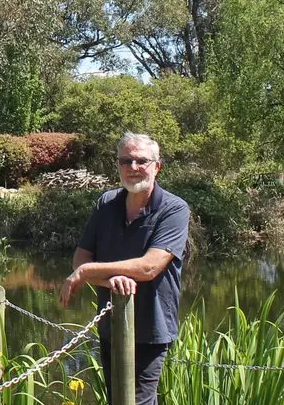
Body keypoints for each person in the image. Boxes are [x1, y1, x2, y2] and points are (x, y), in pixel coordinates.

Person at [58, 133, 190, 405]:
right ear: (117, 165)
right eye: (125, 160)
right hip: (110, 324)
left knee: (139, 401)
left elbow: (149, 267)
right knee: (116, 399)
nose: (133, 167)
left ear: (157, 166)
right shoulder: (105, 204)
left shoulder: (174, 209)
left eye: (141, 161)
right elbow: (80, 259)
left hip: (151, 328)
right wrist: (112, 281)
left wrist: (88, 274)